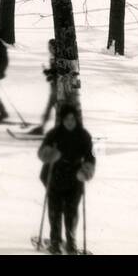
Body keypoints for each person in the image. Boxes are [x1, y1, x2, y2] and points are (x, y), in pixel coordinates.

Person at [37, 103, 96, 254]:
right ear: (62, 119)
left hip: (75, 177)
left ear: (77, 119)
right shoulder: (54, 134)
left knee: (71, 211)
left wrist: (86, 170)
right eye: (67, 119)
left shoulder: (84, 136)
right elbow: (42, 153)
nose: (70, 121)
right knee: (55, 210)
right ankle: (55, 242)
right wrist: (49, 154)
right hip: (55, 175)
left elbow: (90, 156)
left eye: (72, 118)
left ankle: (71, 243)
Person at [30, 39, 65, 135]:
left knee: (56, 108)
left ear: (55, 47)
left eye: (51, 47)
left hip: (59, 88)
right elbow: (54, 71)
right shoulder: (53, 57)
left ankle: (46, 128)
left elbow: (60, 72)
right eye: (48, 47)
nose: (49, 49)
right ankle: (44, 127)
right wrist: (49, 73)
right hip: (54, 87)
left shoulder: (59, 58)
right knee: (54, 108)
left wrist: (50, 74)